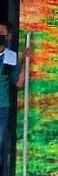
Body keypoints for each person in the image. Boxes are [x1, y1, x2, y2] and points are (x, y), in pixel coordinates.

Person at [0, 22, 29, 150]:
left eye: (2, 34)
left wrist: (25, 62)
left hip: (2, 108)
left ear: (8, 37)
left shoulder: (11, 57)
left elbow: (18, 82)